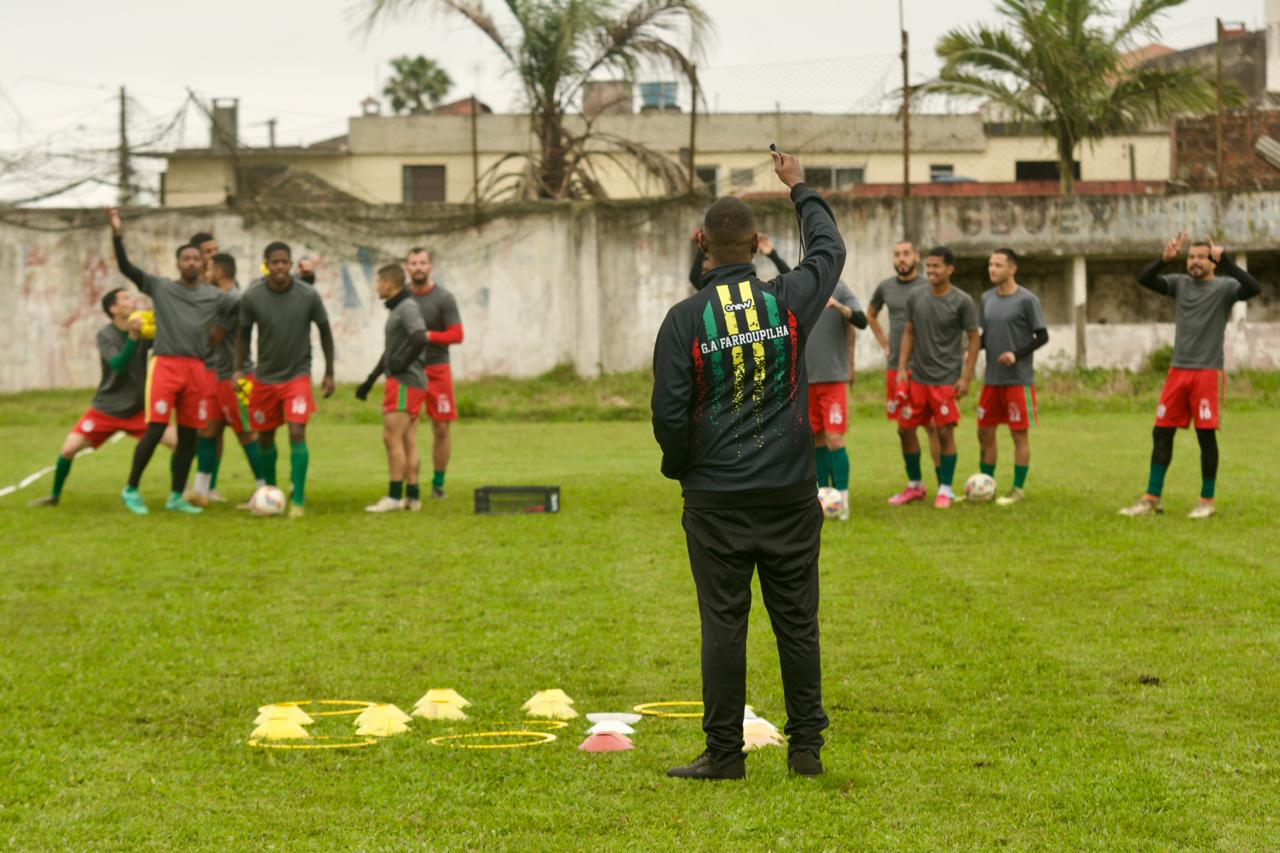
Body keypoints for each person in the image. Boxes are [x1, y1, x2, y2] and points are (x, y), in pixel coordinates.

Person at [651, 147, 844, 781]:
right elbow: (828, 253)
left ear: (701, 242)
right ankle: (807, 751)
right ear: (759, 245)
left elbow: (670, 417)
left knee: (723, 625)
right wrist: (800, 187)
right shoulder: (788, 300)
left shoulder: (684, 321)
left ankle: (725, 756)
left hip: (716, 501)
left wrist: (683, 470)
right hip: (790, 493)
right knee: (797, 621)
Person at [1120, 233, 1261, 518]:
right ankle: (1151, 498)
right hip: (1177, 371)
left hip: (1207, 373)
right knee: (1161, 432)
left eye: (1201, 258)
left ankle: (1206, 501)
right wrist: (1163, 259)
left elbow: (1253, 288)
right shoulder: (1179, 284)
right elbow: (1144, 279)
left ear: (1212, 262)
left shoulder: (1225, 287)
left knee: (1205, 437)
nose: (1195, 262)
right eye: (1191, 258)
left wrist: (1229, 262)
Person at [108, 208, 231, 515]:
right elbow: (126, 267)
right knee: (156, 429)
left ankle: (176, 495)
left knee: (190, 434)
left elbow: (239, 311)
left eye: (195, 259)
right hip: (165, 365)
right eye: (185, 258)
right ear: (178, 264)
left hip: (197, 369)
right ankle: (131, 488)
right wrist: (117, 233)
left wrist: (214, 337)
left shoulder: (214, 297)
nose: (190, 262)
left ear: (204, 264)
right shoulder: (161, 287)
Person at [29, 289, 175, 506]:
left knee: (179, 443)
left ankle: (177, 495)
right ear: (113, 309)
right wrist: (133, 338)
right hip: (105, 409)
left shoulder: (144, 331)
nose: (132, 301)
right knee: (69, 449)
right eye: (125, 298)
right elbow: (118, 366)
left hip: (137, 410)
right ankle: (54, 496)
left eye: (131, 297)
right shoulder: (105, 335)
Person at [235, 241, 336, 518]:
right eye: (274, 262)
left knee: (296, 432)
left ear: (290, 265)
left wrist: (329, 372)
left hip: (297, 376)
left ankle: (299, 500)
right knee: (265, 438)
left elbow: (325, 332)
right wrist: (237, 369)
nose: (280, 267)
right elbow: (243, 334)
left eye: (284, 262)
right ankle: (270, 493)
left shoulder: (307, 294)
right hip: (265, 377)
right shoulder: (252, 296)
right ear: (266, 264)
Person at [357, 247, 463, 501]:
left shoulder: (443, 298)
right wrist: (373, 378)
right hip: (412, 372)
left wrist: (426, 337)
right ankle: (409, 491)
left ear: (430, 267)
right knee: (406, 433)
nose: (418, 267)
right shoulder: (401, 302)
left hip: (436, 368)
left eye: (423, 263)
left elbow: (456, 335)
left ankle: (437, 483)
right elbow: (395, 345)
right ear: (406, 269)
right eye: (413, 263)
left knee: (440, 427)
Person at [890, 246, 980, 510]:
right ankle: (915, 485)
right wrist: (902, 369)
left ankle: (946, 489)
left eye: (936, 267)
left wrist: (966, 377)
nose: (930, 271)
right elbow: (908, 332)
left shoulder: (962, 301)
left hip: (945, 380)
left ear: (950, 269)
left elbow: (974, 339)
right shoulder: (916, 297)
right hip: (917, 378)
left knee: (943, 433)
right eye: (928, 267)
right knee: (904, 429)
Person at [188, 253, 265, 506]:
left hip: (236, 375)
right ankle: (200, 492)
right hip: (215, 374)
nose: (203, 273)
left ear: (220, 272)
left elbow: (212, 337)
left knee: (246, 434)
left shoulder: (230, 300)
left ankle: (264, 490)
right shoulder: (219, 297)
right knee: (208, 430)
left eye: (207, 269)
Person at [976, 248, 1048, 505]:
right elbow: (984, 337)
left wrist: (1016, 354)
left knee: (1019, 435)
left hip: (1018, 379)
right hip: (991, 379)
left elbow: (1043, 336)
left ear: (1012, 269)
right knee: (984, 431)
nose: (992, 269)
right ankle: (986, 485)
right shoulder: (986, 299)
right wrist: (970, 350)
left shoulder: (1027, 300)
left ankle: (1017, 488)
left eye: (997, 265)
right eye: (990, 264)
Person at [868, 241, 943, 481]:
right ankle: (915, 484)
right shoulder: (885, 287)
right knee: (904, 428)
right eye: (897, 254)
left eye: (906, 254)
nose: (902, 259)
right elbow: (871, 314)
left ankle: (944, 484)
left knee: (932, 426)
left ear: (916, 257)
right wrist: (885, 344)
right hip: (896, 368)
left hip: (925, 367)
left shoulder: (928, 286)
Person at [365, 264, 430, 512]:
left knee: (391, 437)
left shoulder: (407, 308)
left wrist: (402, 363)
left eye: (379, 282)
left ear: (389, 284)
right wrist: (371, 379)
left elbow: (420, 337)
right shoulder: (399, 309)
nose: (377, 287)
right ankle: (412, 497)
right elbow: (392, 349)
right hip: (406, 382)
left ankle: (393, 497)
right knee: (407, 439)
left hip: (404, 383)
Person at [806, 280, 868, 519]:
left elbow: (860, 321)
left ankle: (843, 499)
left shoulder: (840, 288)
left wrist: (839, 307)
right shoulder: (803, 286)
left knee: (835, 438)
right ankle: (823, 496)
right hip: (807, 380)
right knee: (816, 439)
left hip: (833, 380)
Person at [688, 231, 790, 290]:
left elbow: (794, 285)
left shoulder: (758, 291)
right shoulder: (764, 293)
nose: (705, 267)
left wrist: (703, 243)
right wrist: (773, 255)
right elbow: (795, 285)